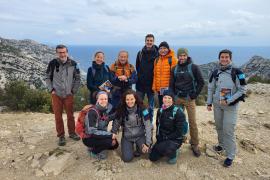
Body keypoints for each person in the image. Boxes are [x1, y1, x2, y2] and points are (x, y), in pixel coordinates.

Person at [207, 49, 247, 167]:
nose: (224, 59)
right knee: (219, 126)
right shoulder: (215, 72)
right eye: (222, 57)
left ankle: (230, 155)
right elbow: (210, 88)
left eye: (226, 57)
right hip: (217, 105)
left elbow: (243, 89)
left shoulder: (238, 72)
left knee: (228, 130)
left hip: (231, 106)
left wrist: (228, 100)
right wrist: (209, 102)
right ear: (219, 59)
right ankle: (221, 145)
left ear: (230, 58)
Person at [169, 48, 204, 157]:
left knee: (192, 121)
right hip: (178, 98)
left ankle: (194, 144)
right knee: (178, 121)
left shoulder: (194, 67)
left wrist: (194, 95)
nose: (182, 57)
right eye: (180, 56)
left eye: (184, 55)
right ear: (178, 57)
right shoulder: (174, 68)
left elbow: (201, 82)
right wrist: (173, 96)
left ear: (187, 56)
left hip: (189, 98)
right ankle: (179, 139)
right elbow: (171, 84)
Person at [45, 44, 81, 146]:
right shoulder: (52, 63)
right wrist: (51, 89)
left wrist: (73, 90)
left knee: (70, 115)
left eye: (64, 52)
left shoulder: (73, 64)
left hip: (68, 94)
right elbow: (47, 77)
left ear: (67, 52)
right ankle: (61, 136)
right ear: (57, 53)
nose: (62, 54)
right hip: (56, 94)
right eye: (60, 52)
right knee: (58, 116)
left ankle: (72, 133)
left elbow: (77, 78)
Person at [111, 89, 152, 162]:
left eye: (132, 99)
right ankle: (129, 147)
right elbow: (116, 123)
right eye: (127, 99)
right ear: (124, 100)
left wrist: (147, 143)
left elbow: (148, 126)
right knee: (127, 158)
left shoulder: (143, 109)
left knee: (146, 152)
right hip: (127, 137)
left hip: (140, 136)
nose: (130, 102)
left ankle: (139, 148)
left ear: (135, 99)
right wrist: (113, 134)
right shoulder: (121, 109)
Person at [149, 90, 187, 164]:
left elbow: (179, 132)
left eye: (169, 98)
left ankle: (174, 153)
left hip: (175, 139)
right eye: (165, 97)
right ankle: (163, 148)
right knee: (152, 157)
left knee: (166, 148)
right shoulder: (160, 111)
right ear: (162, 98)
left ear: (173, 100)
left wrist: (167, 137)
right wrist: (158, 137)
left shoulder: (178, 112)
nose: (167, 100)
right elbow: (158, 125)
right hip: (163, 137)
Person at [81, 91, 119, 160]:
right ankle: (93, 151)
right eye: (101, 99)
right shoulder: (92, 112)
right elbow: (92, 132)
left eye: (105, 99)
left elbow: (110, 117)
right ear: (97, 99)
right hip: (89, 137)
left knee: (115, 144)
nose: (104, 101)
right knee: (108, 145)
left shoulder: (105, 110)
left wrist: (120, 112)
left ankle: (98, 146)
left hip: (100, 135)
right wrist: (110, 135)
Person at [136, 34, 159, 123]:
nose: (149, 42)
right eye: (147, 40)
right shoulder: (140, 53)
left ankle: (149, 123)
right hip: (140, 85)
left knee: (150, 106)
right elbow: (137, 67)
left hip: (151, 85)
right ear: (145, 41)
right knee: (139, 105)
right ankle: (140, 122)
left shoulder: (157, 54)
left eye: (151, 41)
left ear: (153, 42)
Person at [152, 41, 177, 107]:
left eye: (164, 48)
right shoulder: (157, 60)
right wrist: (154, 88)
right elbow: (155, 75)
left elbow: (176, 76)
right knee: (162, 107)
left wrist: (172, 89)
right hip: (160, 90)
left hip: (169, 89)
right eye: (161, 48)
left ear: (168, 49)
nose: (163, 50)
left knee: (170, 107)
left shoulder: (173, 59)